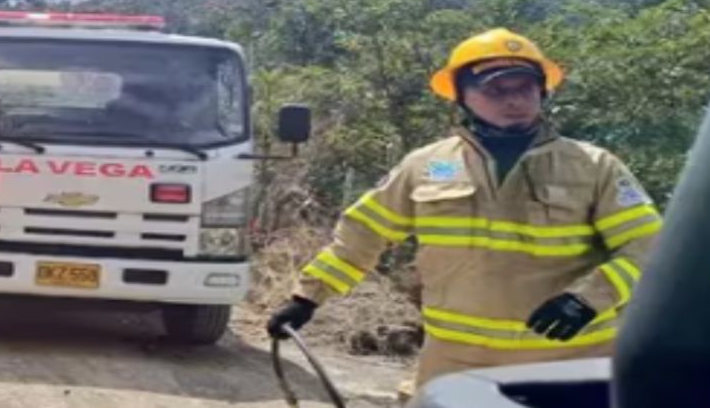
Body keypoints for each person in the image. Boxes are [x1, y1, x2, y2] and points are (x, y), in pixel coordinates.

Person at [266, 28, 663, 392]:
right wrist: (306, 298)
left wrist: (587, 299)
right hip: (454, 363)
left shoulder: (594, 166)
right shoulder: (424, 166)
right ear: (461, 97)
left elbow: (649, 248)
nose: (513, 100)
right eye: (495, 90)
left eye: (525, 88)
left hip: (569, 360)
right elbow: (361, 236)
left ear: (543, 92)